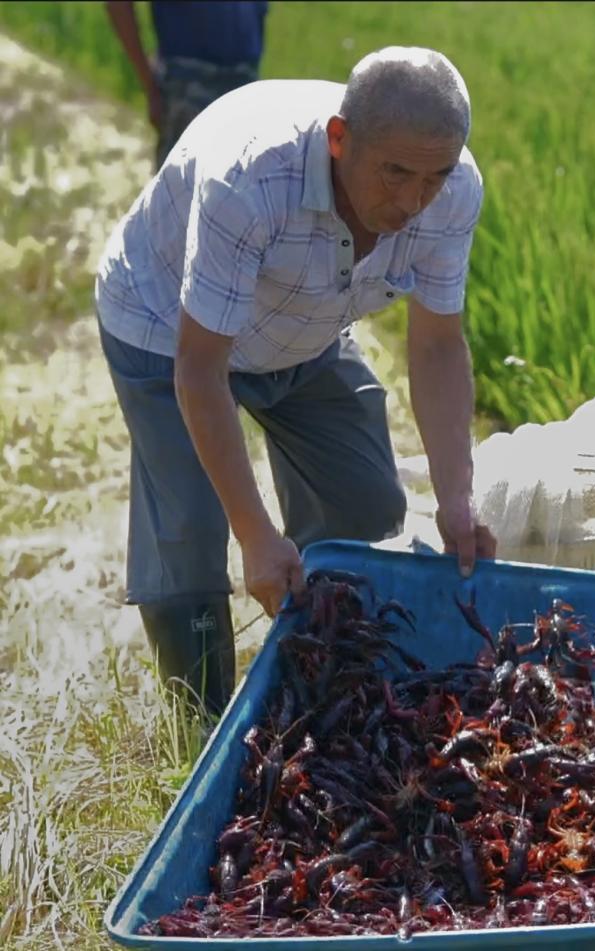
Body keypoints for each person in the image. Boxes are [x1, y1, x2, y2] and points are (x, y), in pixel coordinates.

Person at [95, 47, 496, 716]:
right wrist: (254, 533)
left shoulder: (453, 189)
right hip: (166, 326)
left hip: (303, 324)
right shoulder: (250, 181)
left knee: (367, 506)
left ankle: (316, 684)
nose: (412, 201)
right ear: (340, 140)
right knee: (191, 544)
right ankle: (203, 728)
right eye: (394, 172)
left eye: (432, 177)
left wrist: (457, 495)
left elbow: (435, 345)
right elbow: (199, 369)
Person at [105, 1, 269, 168]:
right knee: (185, 188)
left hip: (245, 88)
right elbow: (118, 5)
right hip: (189, 86)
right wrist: (149, 83)